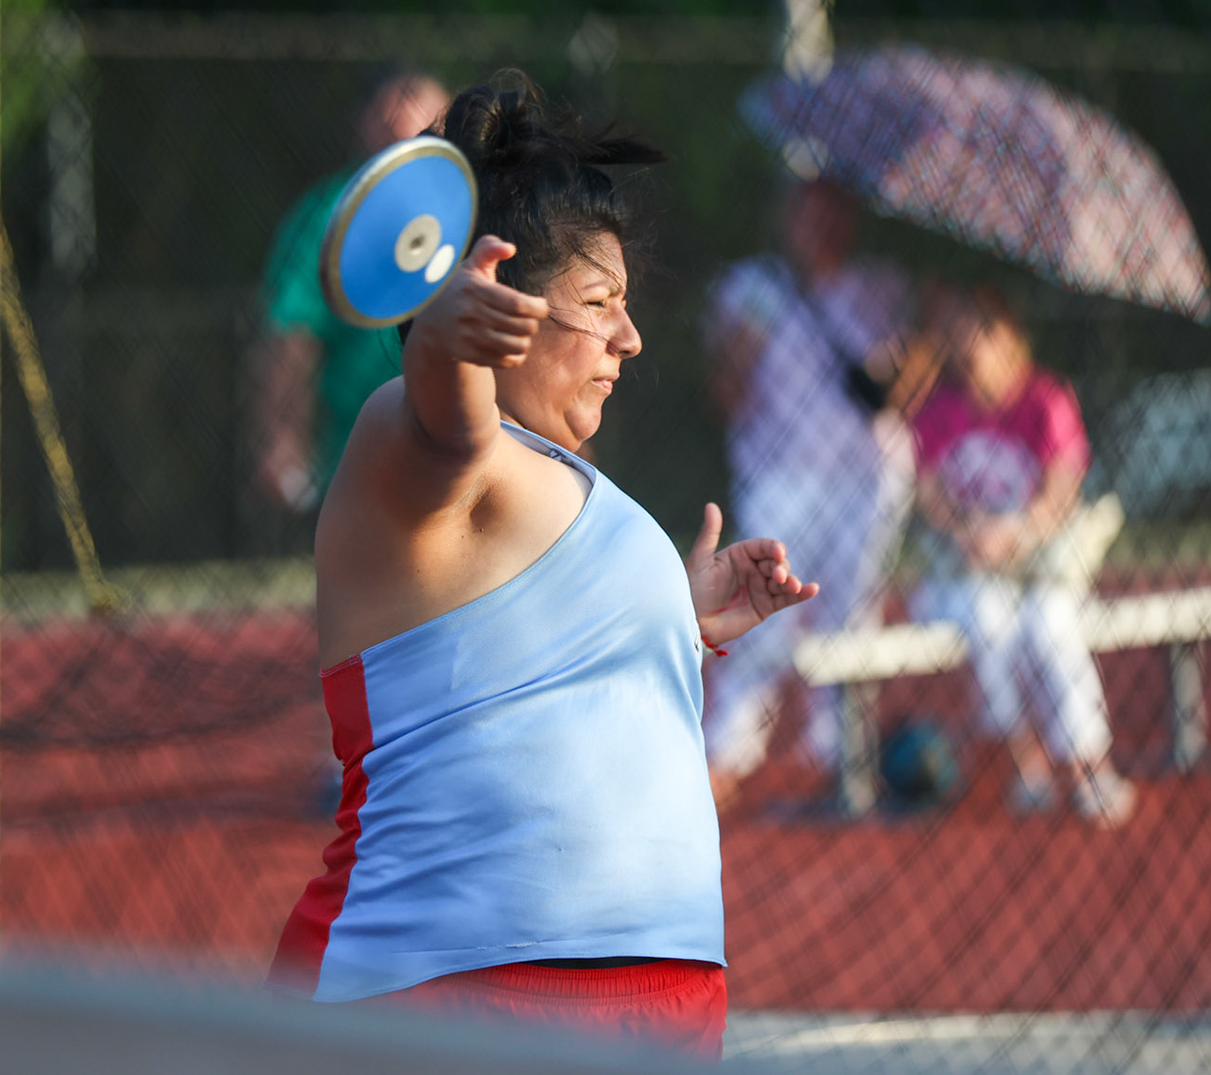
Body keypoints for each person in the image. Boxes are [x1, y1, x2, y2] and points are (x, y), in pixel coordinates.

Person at [267, 73, 817, 1059]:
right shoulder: (412, 428)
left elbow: (517, 652)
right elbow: (447, 414)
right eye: (600, 301)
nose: (630, 336)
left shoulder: (567, 485)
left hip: (646, 1001)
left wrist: (668, 615)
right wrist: (441, 338)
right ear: (498, 292)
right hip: (451, 993)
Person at [699, 178, 916, 809]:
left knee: (854, 613)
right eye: (808, 212)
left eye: (833, 212)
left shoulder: (877, 288)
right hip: (781, 476)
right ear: (785, 217)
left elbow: (901, 390)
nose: (820, 225)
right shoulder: (751, 289)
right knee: (768, 615)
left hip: (868, 476)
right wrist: (744, 343)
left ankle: (840, 752)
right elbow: (727, 396)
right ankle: (729, 752)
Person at [907, 286, 1136, 827]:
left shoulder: (1044, 398)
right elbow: (930, 496)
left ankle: (1088, 768)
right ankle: (1026, 765)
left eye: (983, 330)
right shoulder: (938, 410)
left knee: (1050, 624)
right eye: (960, 331)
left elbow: (1062, 490)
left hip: (1037, 565)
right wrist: (969, 532)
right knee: (989, 620)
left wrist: (1014, 532)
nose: (969, 344)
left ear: (1011, 336)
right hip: (963, 569)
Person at [255, 69, 452, 511]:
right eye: (388, 119)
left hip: (466, 452)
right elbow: (291, 333)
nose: (400, 127)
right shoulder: (327, 215)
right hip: (357, 465)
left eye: (418, 117)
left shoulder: (482, 202)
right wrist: (283, 442)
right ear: (364, 127)